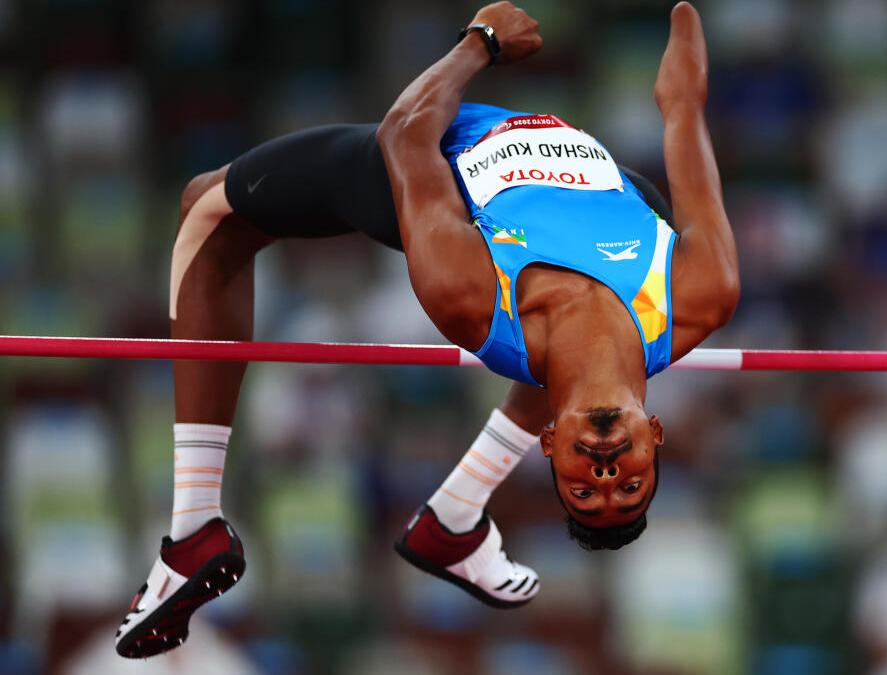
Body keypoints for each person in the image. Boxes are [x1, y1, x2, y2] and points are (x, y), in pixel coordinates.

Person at [116, 0, 738, 658]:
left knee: (205, 212)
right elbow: (683, 114)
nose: (606, 471)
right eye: (629, 482)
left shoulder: (467, 296)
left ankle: (194, 530)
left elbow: (405, 133)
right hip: (613, 191)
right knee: (594, 346)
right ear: (655, 436)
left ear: (551, 443)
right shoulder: (702, 294)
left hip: (444, 166)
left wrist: (480, 43)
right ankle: (455, 518)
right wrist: (682, 74)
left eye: (584, 486)